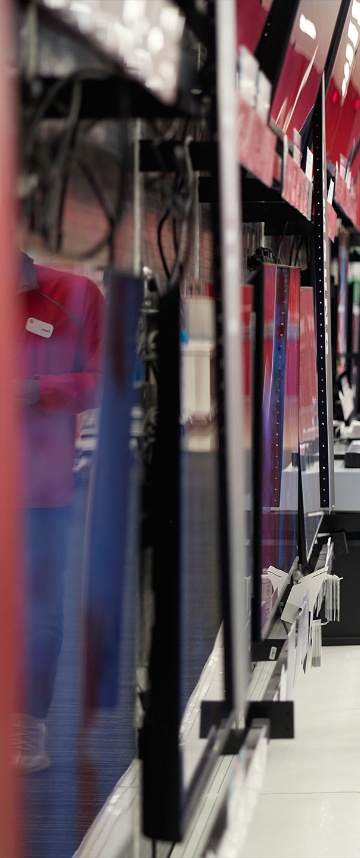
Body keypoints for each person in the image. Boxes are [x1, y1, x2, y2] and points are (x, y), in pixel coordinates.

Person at [14, 248, 104, 773]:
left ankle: (27, 723)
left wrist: (33, 392)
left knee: (38, 609)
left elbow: (104, 377)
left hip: (38, 490)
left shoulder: (72, 295)